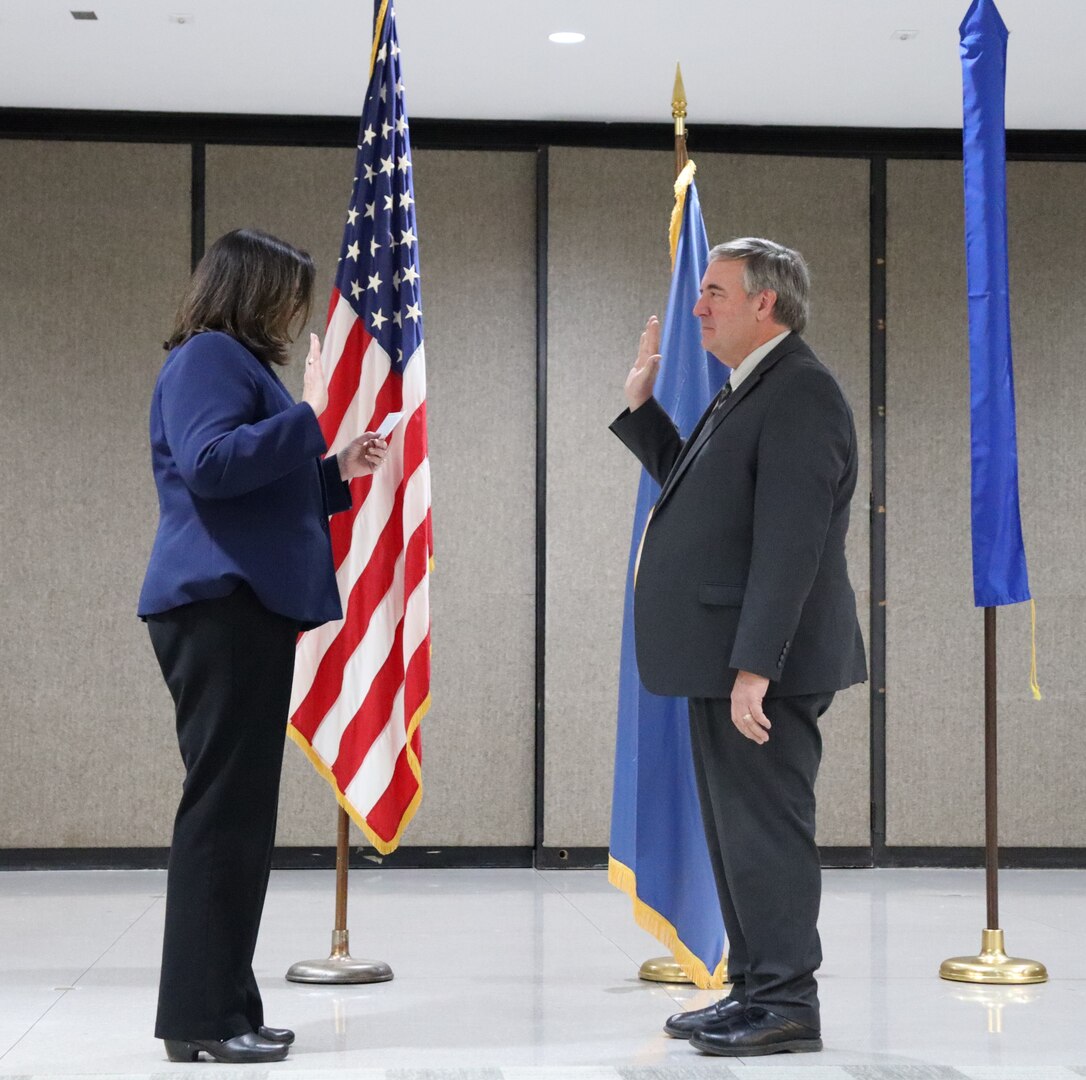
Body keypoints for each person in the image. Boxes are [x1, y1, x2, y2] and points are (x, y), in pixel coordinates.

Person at [610, 237, 867, 1057]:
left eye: (715, 292)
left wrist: (756, 664)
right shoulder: (748, 388)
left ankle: (788, 1002)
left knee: (766, 833)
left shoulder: (801, 392)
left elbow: (790, 544)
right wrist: (644, 409)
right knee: (735, 836)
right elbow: (704, 493)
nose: (699, 306)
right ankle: (754, 991)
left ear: (766, 303)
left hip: (764, 665)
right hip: (724, 659)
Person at [138, 228, 388, 1064]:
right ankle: (202, 1020)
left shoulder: (233, 365)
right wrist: (312, 418)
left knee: (238, 818)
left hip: (238, 606)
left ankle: (226, 1006)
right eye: (289, 293)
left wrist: (332, 467)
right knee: (222, 817)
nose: (295, 313)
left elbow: (251, 487)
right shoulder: (209, 358)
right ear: (251, 289)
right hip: (222, 607)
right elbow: (210, 466)